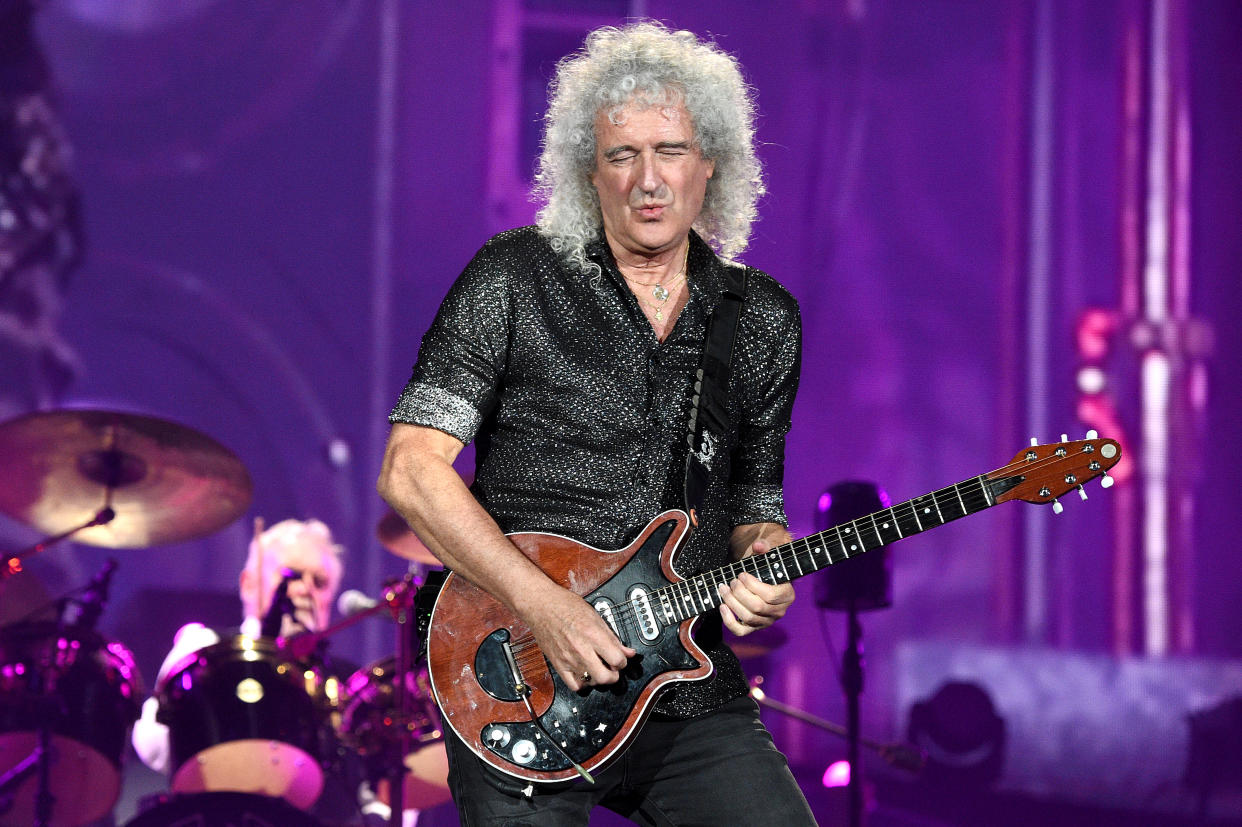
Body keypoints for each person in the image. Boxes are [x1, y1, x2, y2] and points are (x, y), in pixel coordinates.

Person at [377, 21, 816, 826]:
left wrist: (767, 559)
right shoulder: (513, 276)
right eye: (623, 155)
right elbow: (409, 469)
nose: (649, 180)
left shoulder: (762, 320)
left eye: (672, 151)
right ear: (590, 171)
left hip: (684, 680)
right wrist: (547, 607)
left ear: (710, 163)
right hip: (518, 673)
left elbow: (757, 503)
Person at [129, 519, 366, 823]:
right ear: (248, 584)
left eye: (319, 582)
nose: (307, 589)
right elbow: (152, 741)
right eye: (292, 575)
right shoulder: (205, 649)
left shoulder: (349, 682)